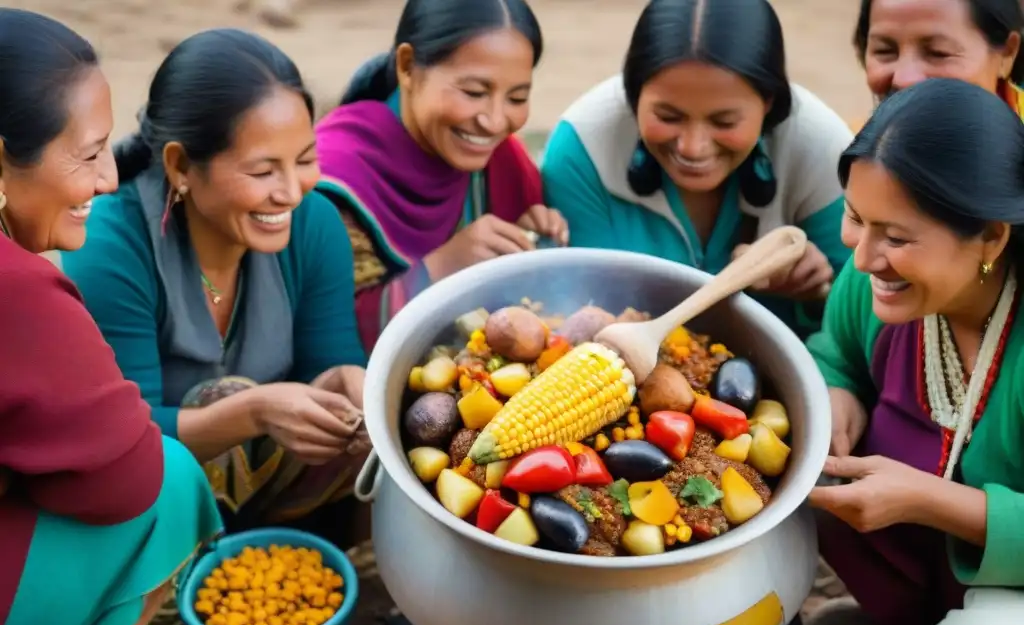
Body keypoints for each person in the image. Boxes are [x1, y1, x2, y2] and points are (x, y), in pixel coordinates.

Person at [0, 10, 221, 625]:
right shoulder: (19, 292)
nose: (107, 178)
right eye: (88, 155)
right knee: (173, 488)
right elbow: (124, 484)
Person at [62, 30, 370, 532]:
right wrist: (251, 413)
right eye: (263, 171)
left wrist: (346, 381)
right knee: (221, 395)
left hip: (273, 485)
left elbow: (330, 358)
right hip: (153, 500)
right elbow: (121, 438)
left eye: (305, 160)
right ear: (181, 166)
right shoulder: (112, 245)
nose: (292, 191)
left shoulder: (315, 224)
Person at [807, 78, 1024, 625]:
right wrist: (838, 391)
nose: (864, 256)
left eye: (896, 237)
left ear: (991, 234)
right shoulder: (875, 279)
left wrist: (931, 500)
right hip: (955, 585)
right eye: (854, 218)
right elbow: (833, 349)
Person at [540, 0, 853, 338]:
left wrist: (818, 291)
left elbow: (857, 322)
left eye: (724, 121)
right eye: (668, 117)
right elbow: (583, 304)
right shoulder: (582, 149)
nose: (693, 147)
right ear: (633, 94)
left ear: (768, 102)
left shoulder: (821, 149)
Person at [314, 0, 568, 352]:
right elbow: (321, 337)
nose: (495, 121)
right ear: (407, 67)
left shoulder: (503, 159)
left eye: (516, 97)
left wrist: (532, 235)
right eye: (474, 93)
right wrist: (442, 267)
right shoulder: (335, 178)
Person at [853, 0, 1022, 113]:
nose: (903, 79)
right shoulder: (850, 153)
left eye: (937, 53)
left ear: (1007, 53)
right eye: (885, 51)